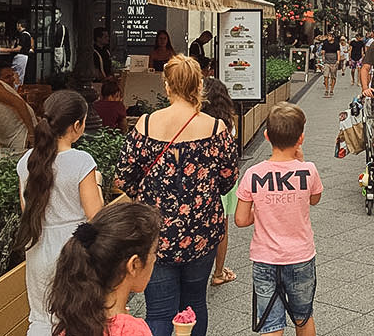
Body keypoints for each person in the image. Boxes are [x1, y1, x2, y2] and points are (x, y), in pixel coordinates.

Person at [116, 55, 239, 336]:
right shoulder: (215, 128)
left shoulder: (145, 125)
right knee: (195, 304)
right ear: (198, 85)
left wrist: (147, 194)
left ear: (167, 86)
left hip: (155, 236)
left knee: (158, 311)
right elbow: (227, 180)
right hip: (201, 232)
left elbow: (124, 178)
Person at [16, 90, 104, 336]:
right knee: (75, 320)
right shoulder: (81, 161)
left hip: (37, 245)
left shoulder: (26, 162)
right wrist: (97, 183)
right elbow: (96, 218)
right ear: (77, 125)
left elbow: (27, 209)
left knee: (41, 318)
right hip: (73, 249)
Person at [235, 102, 322, 336]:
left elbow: (241, 220)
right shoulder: (309, 170)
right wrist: (300, 163)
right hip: (300, 256)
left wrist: (262, 210)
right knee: (303, 318)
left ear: (266, 136)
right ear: (300, 138)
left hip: (265, 258)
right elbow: (314, 199)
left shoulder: (253, 174)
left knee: (270, 323)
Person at [48, 201, 160, 336]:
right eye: (153, 252)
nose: (154, 259)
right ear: (134, 265)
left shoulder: (74, 323)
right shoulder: (131, 330)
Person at [202, 77, 238, 287]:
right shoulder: (227, 123)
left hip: (200, 181)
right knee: (222, 226)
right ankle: (218, 272)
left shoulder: (196, 121)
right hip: (223, 180)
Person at [0, 20, 34, 86]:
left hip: (20, 57)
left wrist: (4, 49)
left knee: (16, 74)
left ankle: (15, 89)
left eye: (17, 25)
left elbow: (18, 49)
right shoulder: (28, 34)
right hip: (24, 57)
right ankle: (18, 88)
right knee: (20, 74)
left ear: (19, 25)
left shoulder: (23, 35)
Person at [320, 33, 341, 98]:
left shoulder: (336, 44)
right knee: (325, 76)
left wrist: (338, 60)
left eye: (329, 36)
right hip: (327, 62)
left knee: (333, 76)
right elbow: (323, 51)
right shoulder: (325, 43)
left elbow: (338, 53)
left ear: (333, 37)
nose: (328, 37)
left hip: (334, 62)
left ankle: (331, 89)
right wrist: (323, 56)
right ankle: (326, 89)